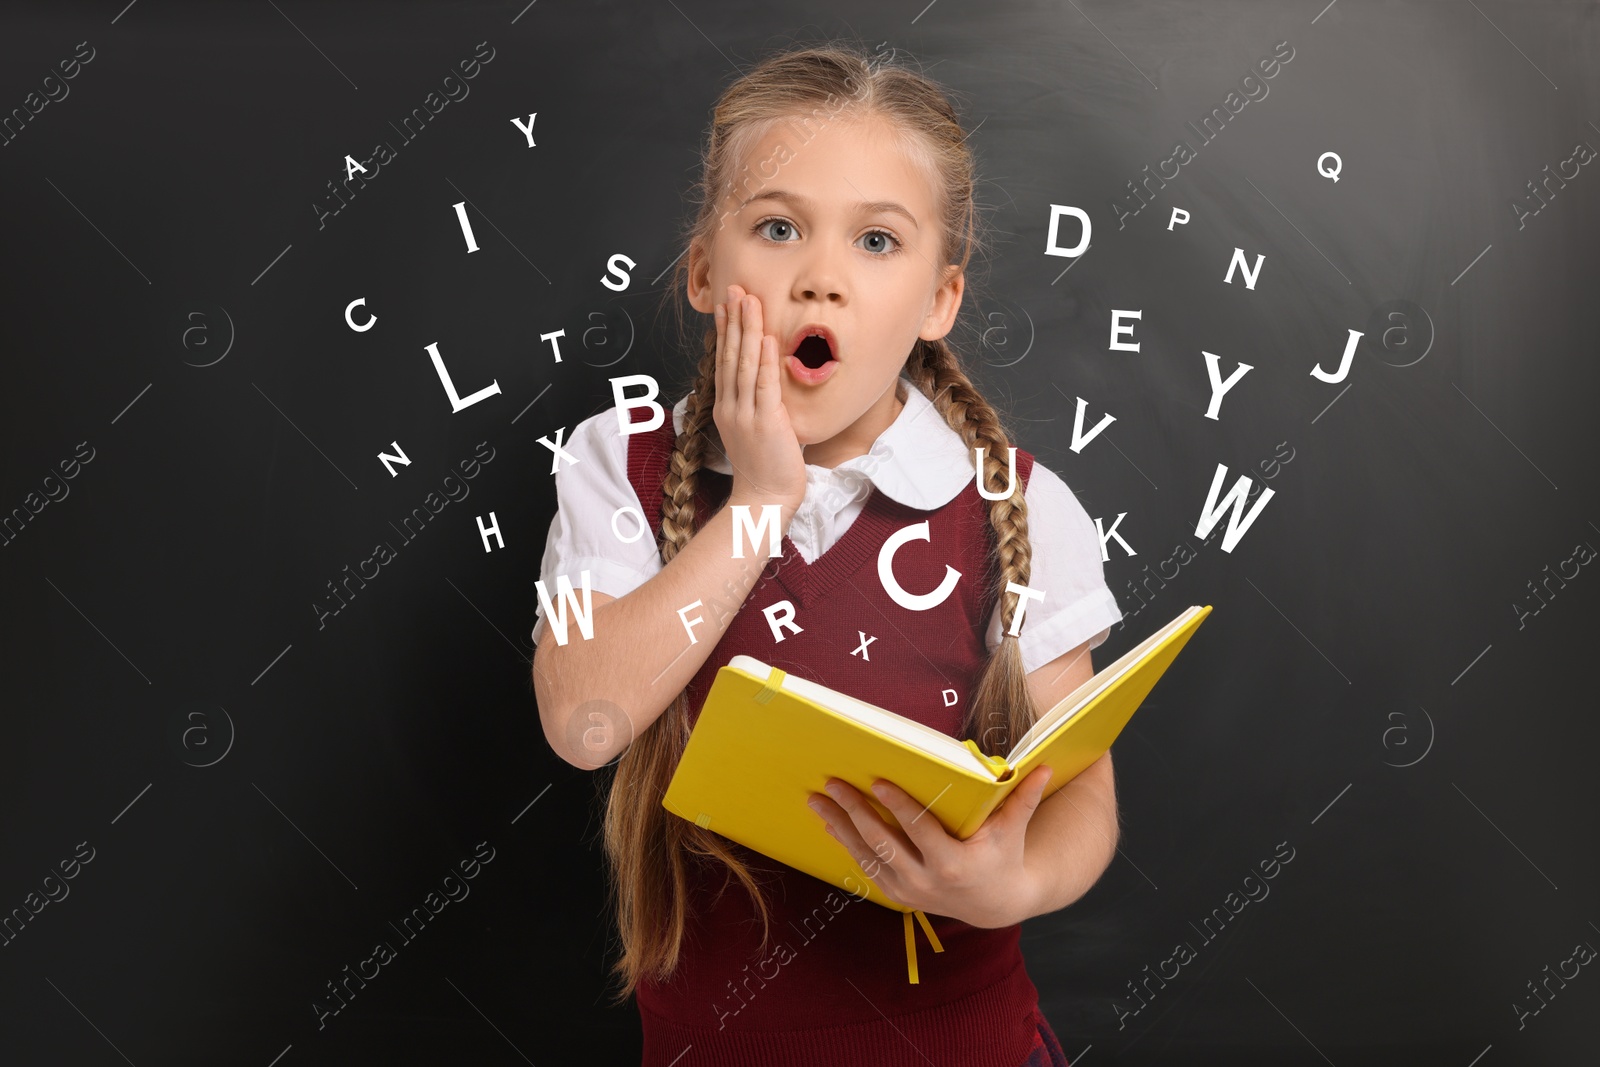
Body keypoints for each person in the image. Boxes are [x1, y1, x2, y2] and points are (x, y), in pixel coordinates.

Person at [531, 40, 1124, 1067]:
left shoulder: (1016, 504)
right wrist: (761, 499)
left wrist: (1011, 883)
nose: (821, 279)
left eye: (876, 242)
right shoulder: (612, 463)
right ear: (708, 273)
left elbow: (1082, 793)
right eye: (776, 227)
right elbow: (584, 722)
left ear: (938, 301)